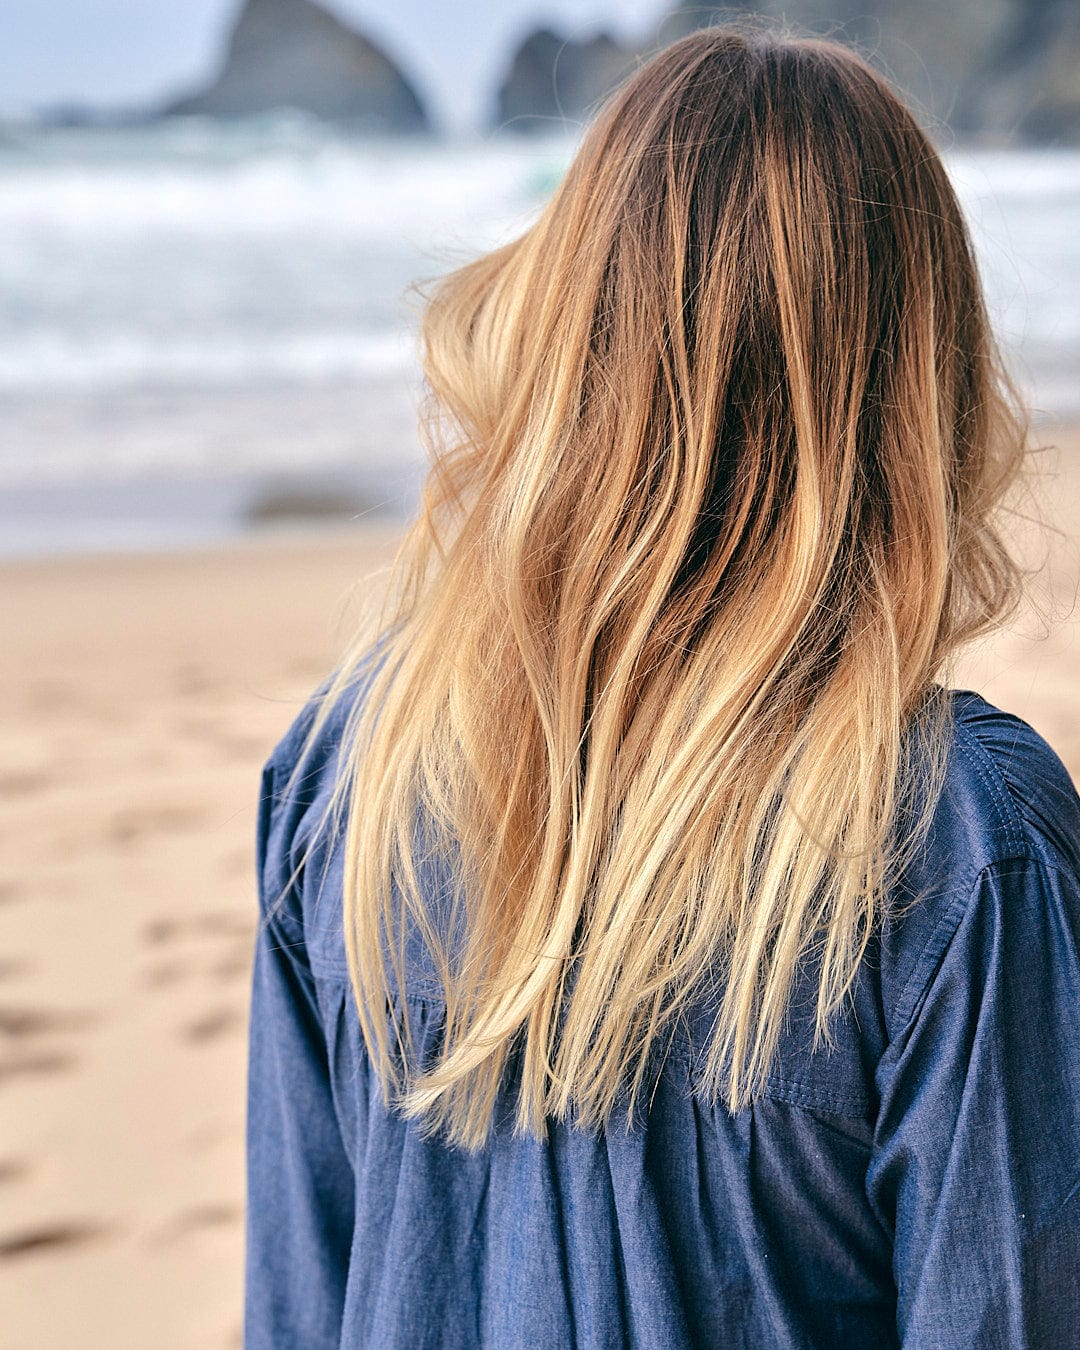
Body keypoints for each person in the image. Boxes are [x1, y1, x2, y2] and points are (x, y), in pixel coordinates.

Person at [243, 24, 1080, 1349]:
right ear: (909, 375)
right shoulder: (954, 842)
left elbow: (298, 1307)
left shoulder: (348, 768)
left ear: (571, 326)